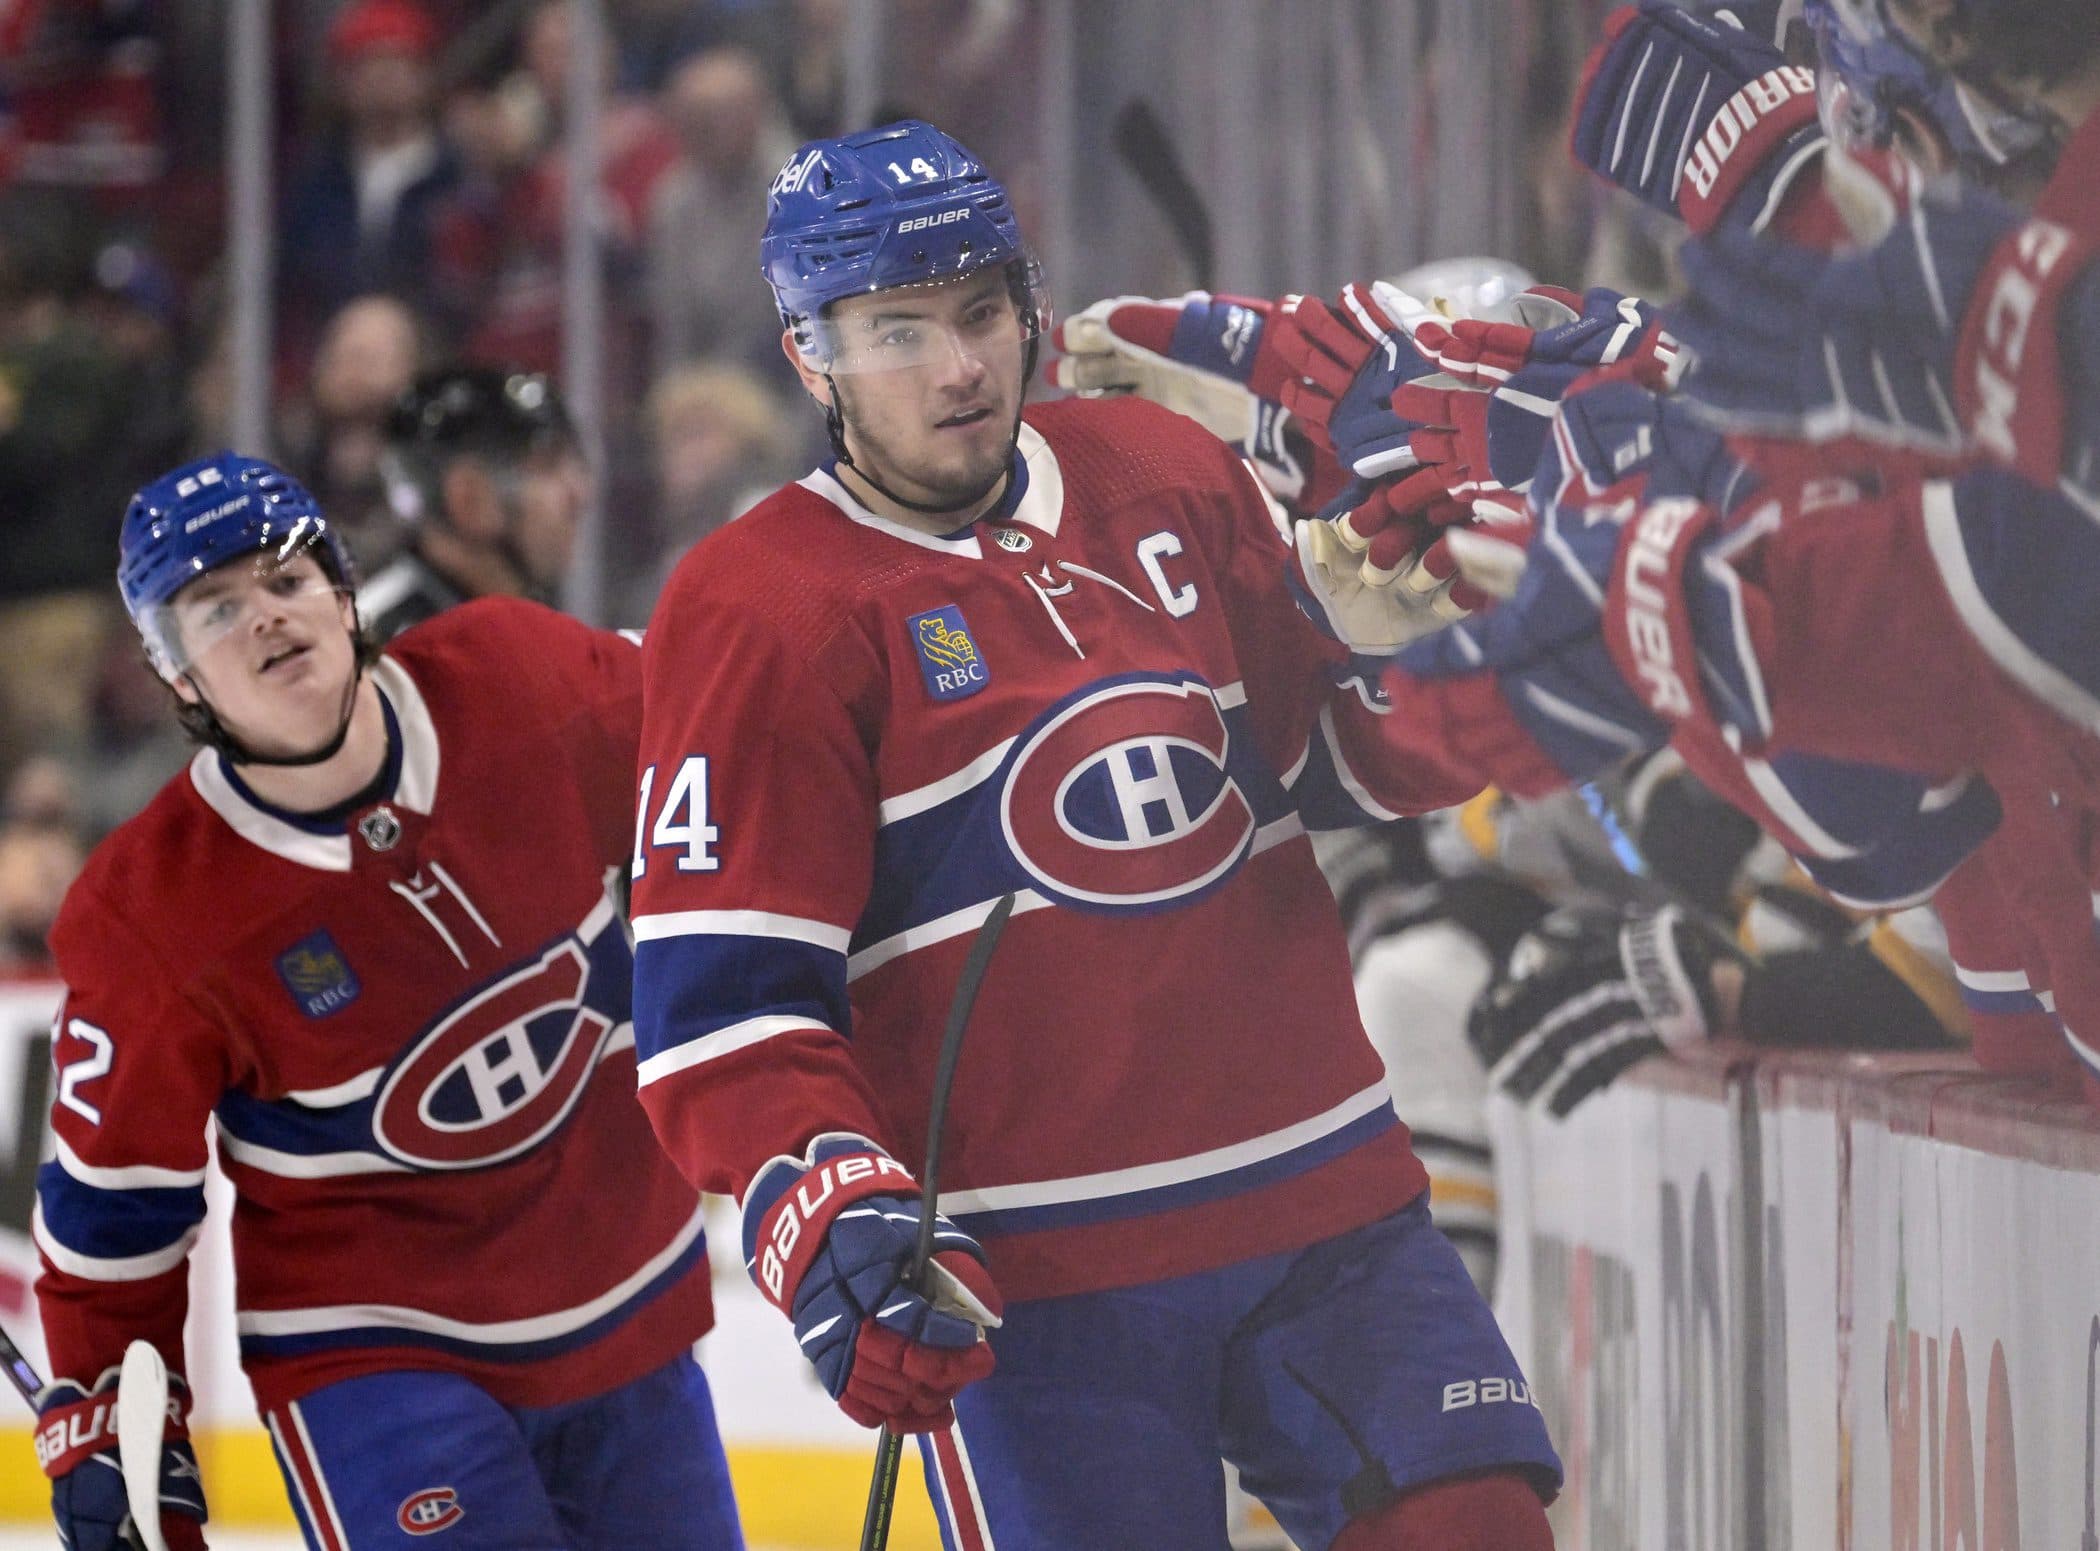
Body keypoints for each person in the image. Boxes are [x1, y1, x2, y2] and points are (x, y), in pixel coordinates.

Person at [629, 119, 1559, 1551]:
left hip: (1321, 1207)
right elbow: (727, 1010)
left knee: (1477, 1527)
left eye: (986, 313)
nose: (961, 366)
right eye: (899, 330)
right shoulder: (758, 610)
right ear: (808, 354)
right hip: (1035, 1282)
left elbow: (1344, 775)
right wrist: (826, 1201)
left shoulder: (1161, 468)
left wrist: (1415, 661)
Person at [31, 453, 741, 1550]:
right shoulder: (151, 912)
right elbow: (115, 1216)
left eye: (284, 578)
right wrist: (106, 1421)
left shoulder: (523, 677)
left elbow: (742, 777)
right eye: (216, 608)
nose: (264, 617)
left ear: (344, 588)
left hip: (623, 1296)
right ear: (177, 678)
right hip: (372, 1356)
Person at [367, 364, 588, 639]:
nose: (580, 494)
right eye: (545, 466)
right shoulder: (377, 649)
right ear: (469, 499)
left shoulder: (540, 624)